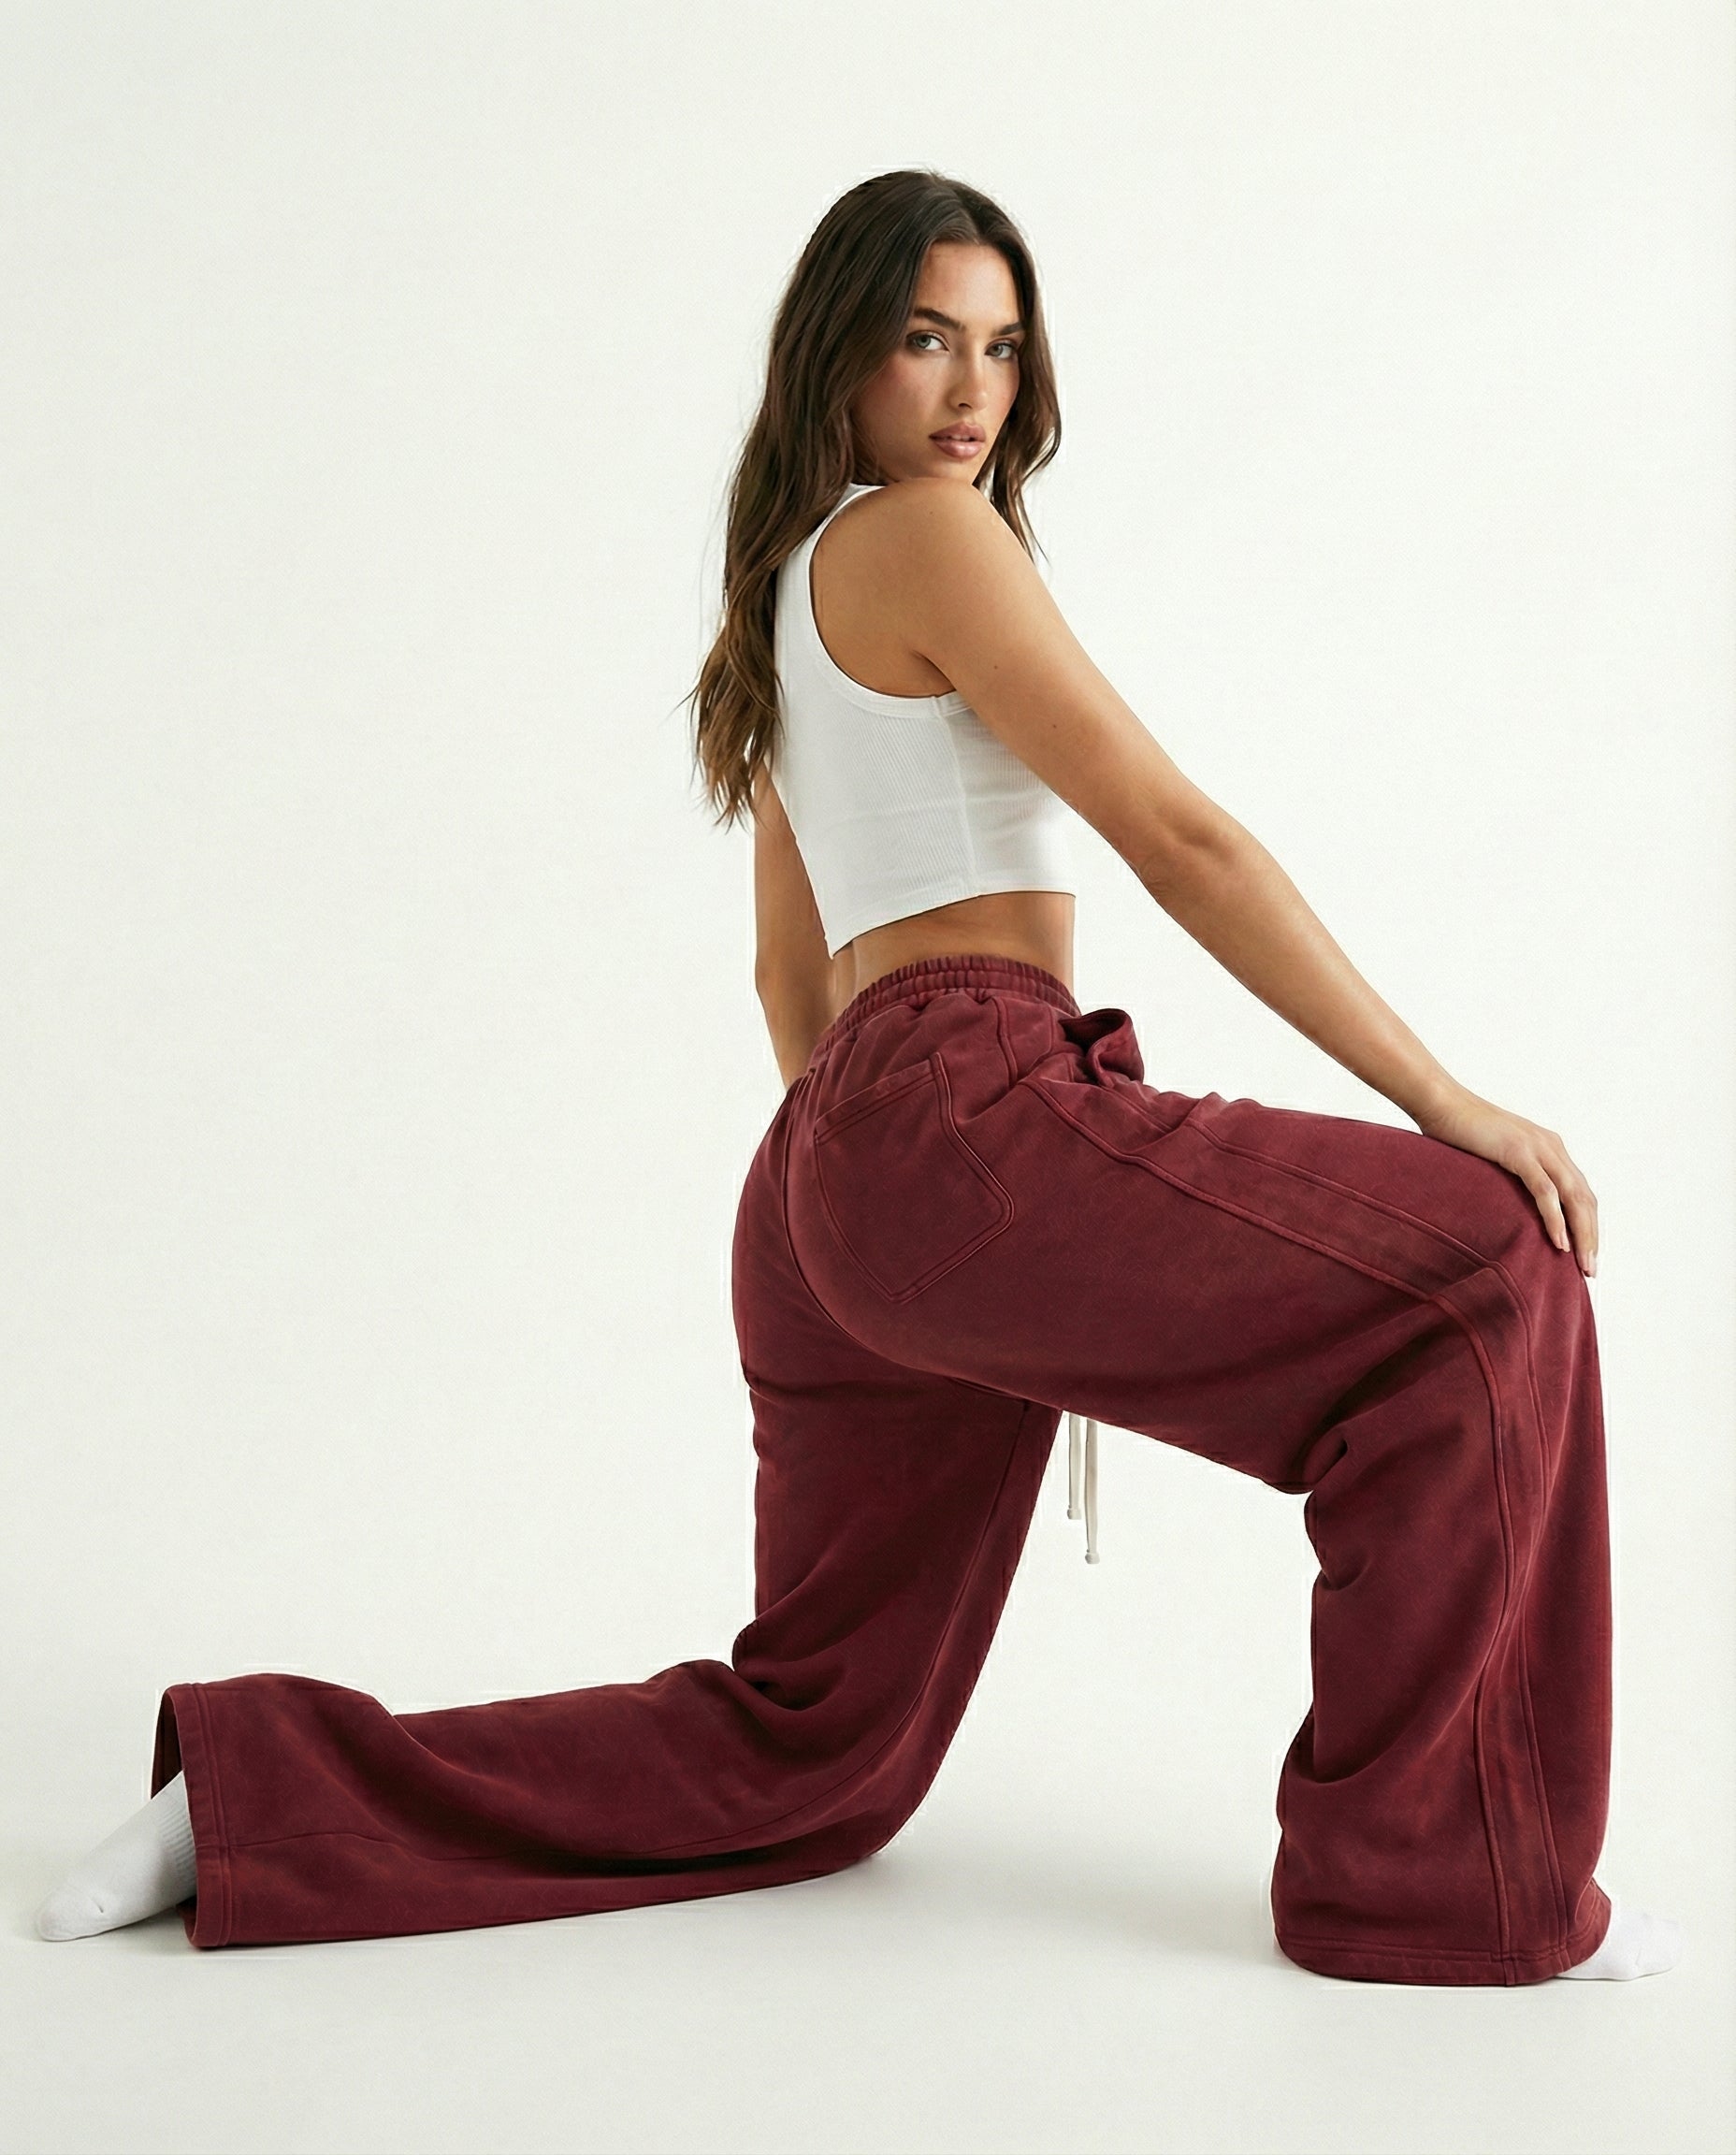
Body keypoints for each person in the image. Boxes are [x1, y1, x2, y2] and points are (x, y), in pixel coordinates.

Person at [36, 168, 1679, 1985]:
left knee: (815, 1742)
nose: (971, 391)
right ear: (841, 355)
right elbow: (1177, 838)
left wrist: (882, 1221)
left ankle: (247, 1805)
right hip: (961, 1123)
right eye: (924, 340)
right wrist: (1445, 1102)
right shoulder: (928, 536)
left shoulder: (783, 594)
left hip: (839, 1166)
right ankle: (1442, 1888)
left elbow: (785, 974)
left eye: (1001, 346)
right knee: (1488, 1264)